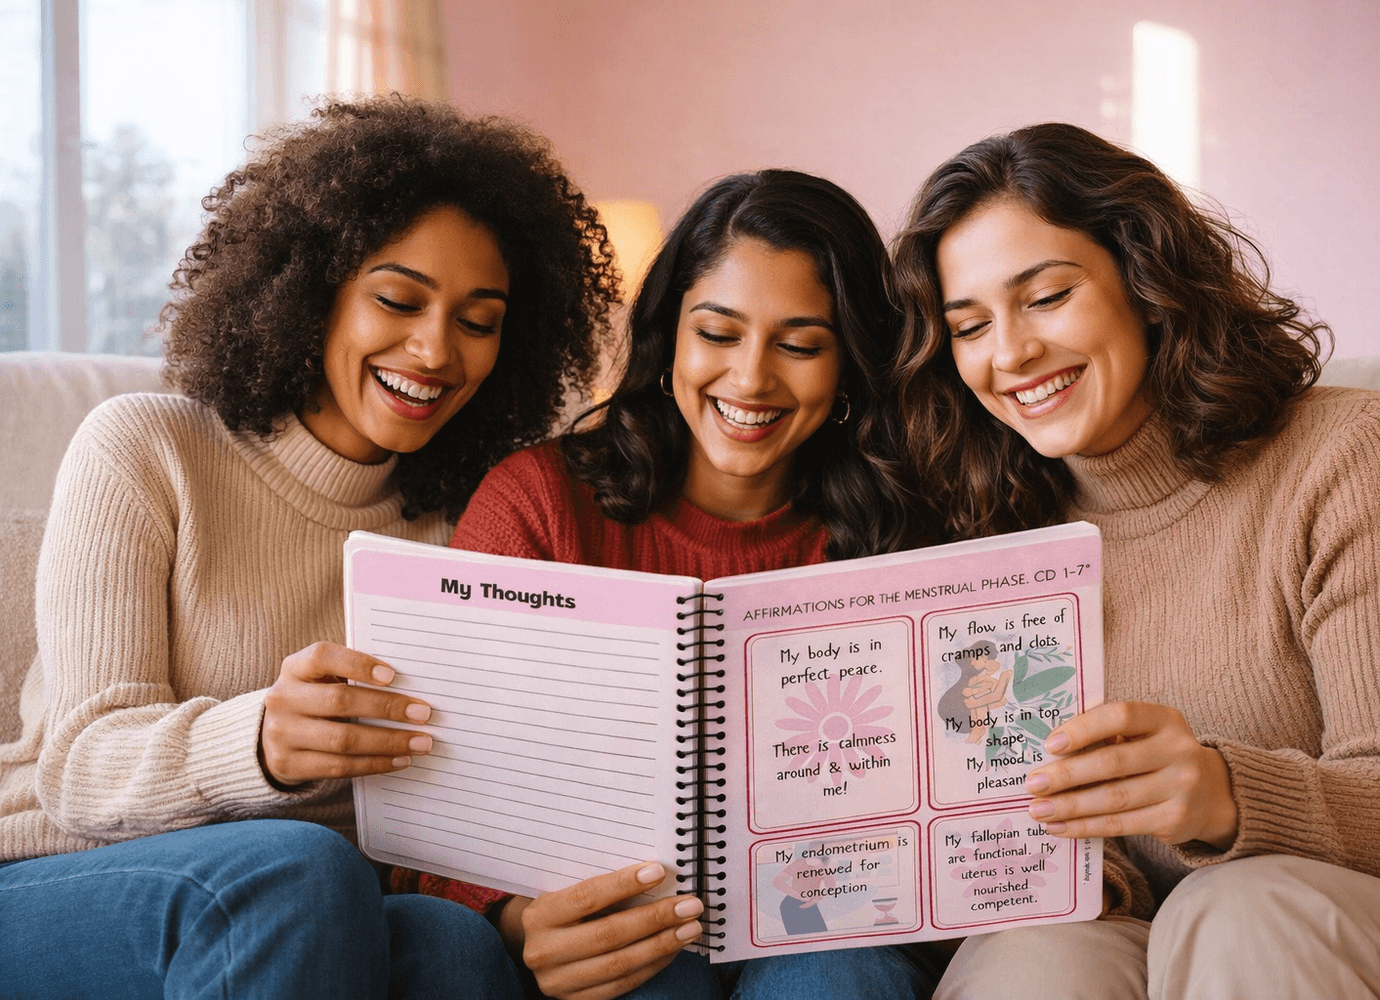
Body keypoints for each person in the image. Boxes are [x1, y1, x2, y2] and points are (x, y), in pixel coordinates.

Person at [0, 96, 615, 999]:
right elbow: (80, 769)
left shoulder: (464, 519)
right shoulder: (147, 447)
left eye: (479, 321)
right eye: (398, 299)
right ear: (312, 286)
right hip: (62, 877)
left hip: (309, 905)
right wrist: (259, 742)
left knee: (452, 944)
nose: (436, 349)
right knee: (298, 869)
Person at [888, 123, 1380, 999]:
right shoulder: (992, 541)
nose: (1009, 353)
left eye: (1048, 296)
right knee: (1034, 957)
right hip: (1161, 932)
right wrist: (1064, 871)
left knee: (1241, 908)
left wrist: (1220, 792)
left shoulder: (1357, 453)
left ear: (1145, 282)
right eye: (969, 325)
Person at [406, 169, 940, 1000]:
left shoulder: (903, 534)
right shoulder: (538, 503)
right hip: (620, 925)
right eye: (718, 333)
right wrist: (514, 919)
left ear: (848, 369)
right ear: (669, 338)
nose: (752, 379)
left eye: (801, 345)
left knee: (845, 974)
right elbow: (439, 792)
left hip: (830, 927)